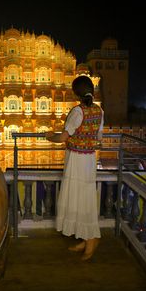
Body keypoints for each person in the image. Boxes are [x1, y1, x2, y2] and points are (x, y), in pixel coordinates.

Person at [45, 75, 104, 261]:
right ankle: (87, 238)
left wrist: (49, 137)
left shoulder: (77, 112)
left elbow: (62, 138)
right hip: (88, 160)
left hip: (77, 159)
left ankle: (93, 238)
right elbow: (99, 139)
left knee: (80, 196)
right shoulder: (99, 111)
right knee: (83, 196)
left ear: (75, 93)